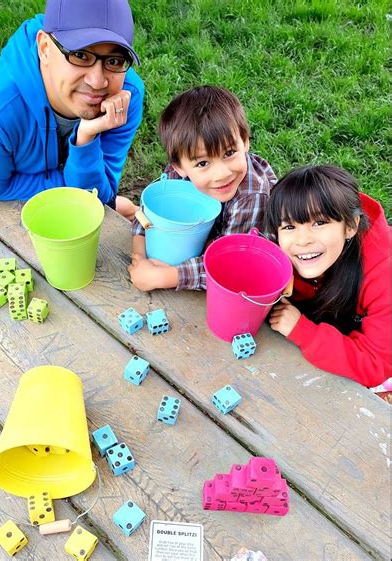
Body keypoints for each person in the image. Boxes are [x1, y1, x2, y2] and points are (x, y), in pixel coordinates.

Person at [0, 0, 144, 219]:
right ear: (44, 47)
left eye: (114, 60)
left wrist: (86, 138)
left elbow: (100, 194)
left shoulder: (125, 96)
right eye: (80, 55)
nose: (97, 81)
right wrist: (74, 186)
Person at [128, 85, 277, 291]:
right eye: (203, 163)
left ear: (244, 141)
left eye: (229, 153)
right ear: (179, 167)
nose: (222, 174)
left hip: (246, 255)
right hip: (210, 238)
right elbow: (146, 214)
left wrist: (166, 277)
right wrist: (140, 258)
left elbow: (230, 265)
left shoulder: (250, 196)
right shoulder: (176, 175)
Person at [265, 165, 391, 389]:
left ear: (351, 226)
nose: (303, 240)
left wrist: (303, 332)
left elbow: (376, 364)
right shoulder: (280, 251)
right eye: (290, 226)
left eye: (319, 223)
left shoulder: (384, 272)